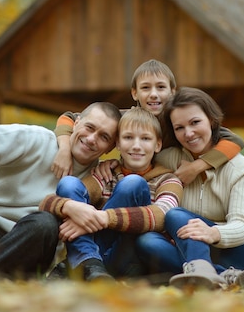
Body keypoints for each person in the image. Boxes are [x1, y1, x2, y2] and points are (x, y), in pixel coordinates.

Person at [0, 101, 121, 280]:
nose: (91, 139)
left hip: (25, 248)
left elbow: (142, 118)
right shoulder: (39, 140)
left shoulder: (98, 179)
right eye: (89, 127)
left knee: (46, 223)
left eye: (104, 137)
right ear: (76, 122)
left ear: (110, 147)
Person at [135, 87, 244, 289]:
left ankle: (207, 271)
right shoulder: (168, 159)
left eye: (195, 122)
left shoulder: (238, 166)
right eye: (179, 128)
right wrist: (110, 165)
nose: (188, 133)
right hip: (188, 251)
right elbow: (135, 154)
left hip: (236, 252)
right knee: (147, 242)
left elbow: (243, 226)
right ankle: (223, 276)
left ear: (211, 121)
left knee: (175, 215)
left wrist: (213, 233)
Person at [39, 107, 183, 281]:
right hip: (100, 260)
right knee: (69, 183)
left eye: (145, 139)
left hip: (130, 257)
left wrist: (103, 218)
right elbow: (48, 203)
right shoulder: (106, 174)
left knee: (133, 183)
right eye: (128, 137)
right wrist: (70, 207)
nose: (136, 146)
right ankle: (89, 263)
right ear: (118, 144)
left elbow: (162, 216)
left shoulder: (168, 180)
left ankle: (78, 264)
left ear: (157, 144)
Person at [51, 59, 244, 186]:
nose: (154, 94)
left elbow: (235, 141)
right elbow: (69, 117)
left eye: (161, 87)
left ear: (172, 91)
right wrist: (64, 149)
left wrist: (196, 168)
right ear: (135, 93)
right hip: (126, 180)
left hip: (163, 183)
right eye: (146, 88)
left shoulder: (179, 122)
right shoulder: (126, 119)